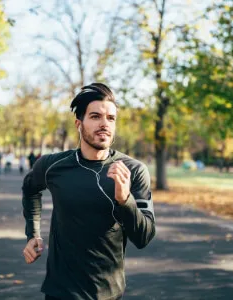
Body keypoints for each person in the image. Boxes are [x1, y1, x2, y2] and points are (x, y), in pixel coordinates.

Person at [22, 83, 156, 300]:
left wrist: (125, 200)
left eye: (111, 118)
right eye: (95, 116)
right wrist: (33, 234)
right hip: (60, 291)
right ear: (79, 123)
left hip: (107, 293)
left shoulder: (134, 170)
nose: (104, 124)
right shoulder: (53, 166)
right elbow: (30, 190)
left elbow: (144, 237)